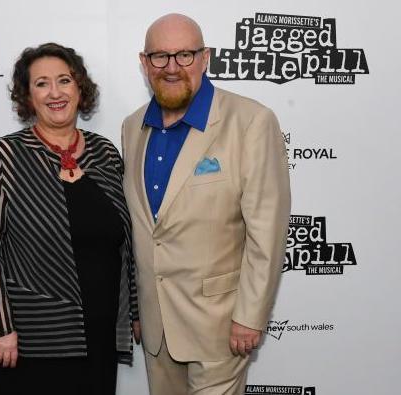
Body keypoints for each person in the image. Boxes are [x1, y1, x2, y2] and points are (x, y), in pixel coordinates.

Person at [121, 14, 291, 395]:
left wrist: (251, 315)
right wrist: (138, 309)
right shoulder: (133, 127)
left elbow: (267, 230)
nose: (172, 68)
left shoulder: (250, 121)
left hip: (220, 326)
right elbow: (143, 230)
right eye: (159, 57)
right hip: (156, 327)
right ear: (144, 63)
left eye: (184, 55)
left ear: (205, 58)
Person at [0, 42, 138, 395]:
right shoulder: (6, 155)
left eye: (64, 81)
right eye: (42, 84)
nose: (55, 93)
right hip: (29, 338)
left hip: (99, 332)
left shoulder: (105, 152)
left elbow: (126, 241)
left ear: (79, 89)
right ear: (28, 97)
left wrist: (134, 309)